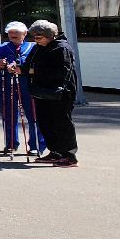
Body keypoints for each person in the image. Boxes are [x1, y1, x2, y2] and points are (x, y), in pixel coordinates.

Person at [23, 19, 79, 166]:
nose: (36, 41)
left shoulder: (62, 48)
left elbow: (61, 72)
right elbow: (28, 65)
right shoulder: (38, 48)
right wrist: (19, 68)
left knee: (62, 123)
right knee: (45, 122)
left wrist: (34, 72)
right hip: (41, 91)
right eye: (34, 37)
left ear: (50, 35)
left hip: (60, 93)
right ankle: (55, 151)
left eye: (39, 38)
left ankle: (69, 155)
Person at [0, 21, 42, 154]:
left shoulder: (33, 47)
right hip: (6, 86)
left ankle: (35, 146)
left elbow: (39, 66)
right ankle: (11, 143)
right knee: (9, 115)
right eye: (10, 32)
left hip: (28, 86)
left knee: (34, 116)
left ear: (24, 34)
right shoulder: (1, 48)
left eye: (16, 32)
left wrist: (21, 67)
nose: (13, 35)